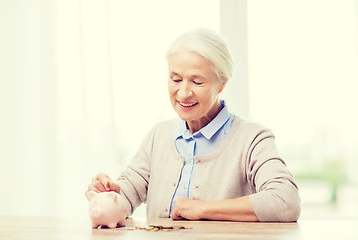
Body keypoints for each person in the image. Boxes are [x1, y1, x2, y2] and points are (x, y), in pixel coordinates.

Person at [86, 28, 301, 222]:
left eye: (197, 82)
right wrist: (111, 194)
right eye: (176, 79)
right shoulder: (158, 136)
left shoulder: (253, 138)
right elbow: (127, 192)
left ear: (222, 84)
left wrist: (203, 209)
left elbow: (285, 200)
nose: (183, 92)